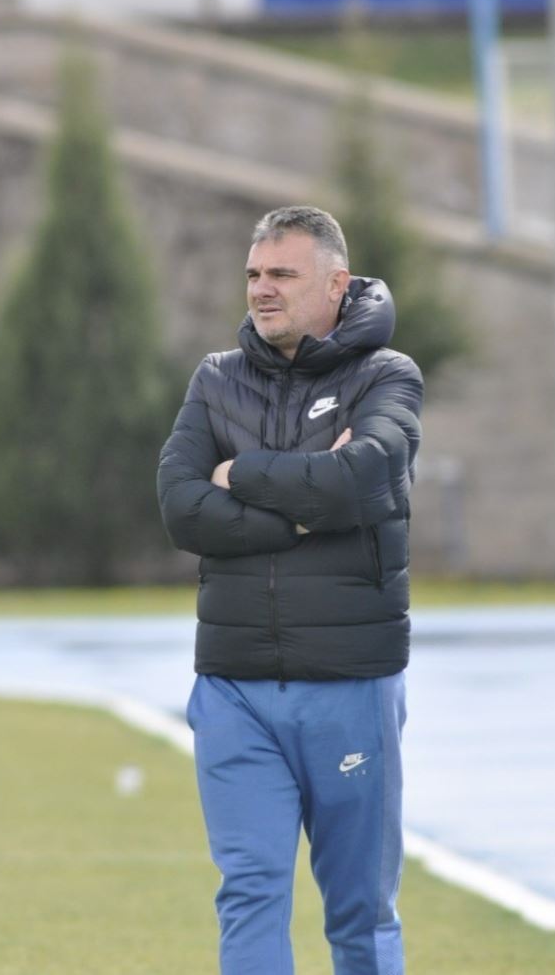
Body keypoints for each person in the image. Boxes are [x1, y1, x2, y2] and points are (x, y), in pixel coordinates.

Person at [157, 205, 424, 975]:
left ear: (337, 284)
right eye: (253, 274)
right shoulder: (216, 379)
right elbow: (180, 508)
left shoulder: (387, 375)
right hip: (234, 688)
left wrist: (239, 474)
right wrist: (304, 514)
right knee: (249, 891)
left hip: (349, 686)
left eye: (283, 274)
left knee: (361, 911)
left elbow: (362, 480)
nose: (261, 289)